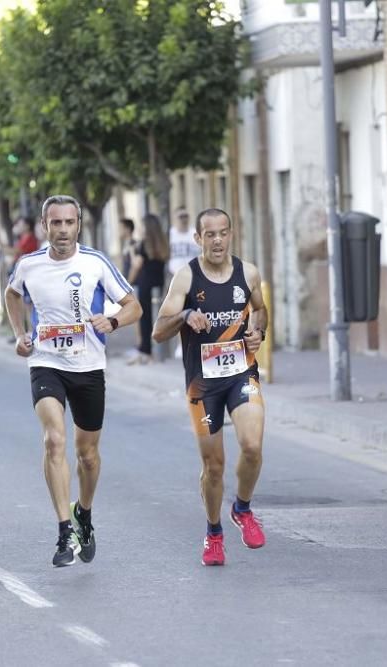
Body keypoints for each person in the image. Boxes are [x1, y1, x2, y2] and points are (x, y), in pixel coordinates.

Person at [5, 195, 141, 567]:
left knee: (88, 455)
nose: (62, 230)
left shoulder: (95, 262)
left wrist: (112, 322)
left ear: (78, 224)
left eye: (69, 222)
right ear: (44, 226)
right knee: (54, 441)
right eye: (55, 223)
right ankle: (64, 530)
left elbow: (134, 306)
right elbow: (12, 294)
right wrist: (20, 334)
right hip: (46, 362)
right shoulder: (29, 265)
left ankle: (84, 512)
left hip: (88, 366)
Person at [152, 207, 268, 567]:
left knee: (251, 446)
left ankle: (243, 509)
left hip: (241, 374)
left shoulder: (247, 273)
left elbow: (260, 310)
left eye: (223, 233)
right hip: (203, 385)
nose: (217, 240)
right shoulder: (186, 279)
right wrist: (186, 315)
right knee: (214, 466)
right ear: (198, 239)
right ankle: (214, 532)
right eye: (210, 234)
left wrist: (258, 333)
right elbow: (158, 331)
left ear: (230, 234)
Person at [127, 214, 169, 365]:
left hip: (145, 286)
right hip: (158, 284)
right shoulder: (162, 243)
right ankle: (158, 353)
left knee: (145, 320)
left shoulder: (143, 245)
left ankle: (146, 352)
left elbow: (136, 264)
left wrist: (132, 252)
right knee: (159, 318)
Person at [167, 208, 200, 358]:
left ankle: (193, 344)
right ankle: (181, 345)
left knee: (194, 311)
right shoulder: (170, 235)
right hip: (175, 278)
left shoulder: (194, 234)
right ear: (175, 218)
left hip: (193, 278)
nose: (183, 219)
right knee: (177, 312)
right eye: (180, 216)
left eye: (186, 215)